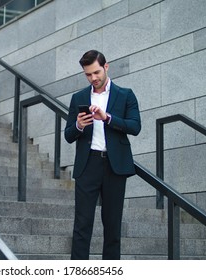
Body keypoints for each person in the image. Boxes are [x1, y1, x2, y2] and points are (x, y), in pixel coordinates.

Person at [64, 50, 141, 260]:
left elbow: (135, 127)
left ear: (106, 67)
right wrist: (78, 126)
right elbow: (68, 135)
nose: (93, 78)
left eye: (96, 72)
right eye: (88, 74)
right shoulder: (78, 97)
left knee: (113, 227)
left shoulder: (126, 95)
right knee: (82, 226)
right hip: (88, 165)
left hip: (114, 167)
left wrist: (107, 118)